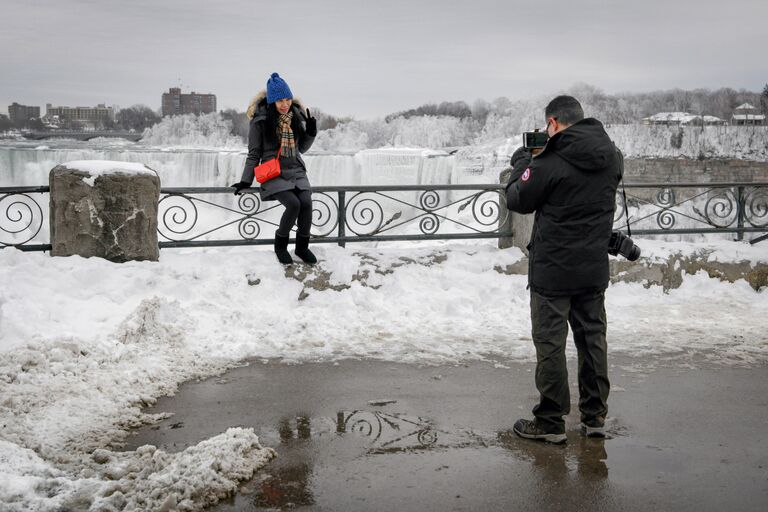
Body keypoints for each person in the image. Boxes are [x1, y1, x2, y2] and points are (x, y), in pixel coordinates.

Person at [505, 95, 622, 443]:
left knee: (551, 344)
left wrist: (522, 163)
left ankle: (551, 421)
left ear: (553, 123)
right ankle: (595, 415)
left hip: (553, 270)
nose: (545, 132)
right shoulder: (612, 157)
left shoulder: (550, 162)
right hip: (592, 268)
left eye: (546, 126)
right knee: (592, 341)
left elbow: (517, 198)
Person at [230, 72, 318, 264]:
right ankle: (280, 246)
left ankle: (302, 248)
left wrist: (311, 132)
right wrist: (246, 180)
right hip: (274, 172)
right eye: (279, 100)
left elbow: (301, 148)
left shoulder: (295, 116)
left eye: (287, 99)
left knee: (306, 203)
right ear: (271, 101)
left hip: (296, 169)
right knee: (294, 205)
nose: (285, 104)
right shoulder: (260, 121)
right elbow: (254, 153)